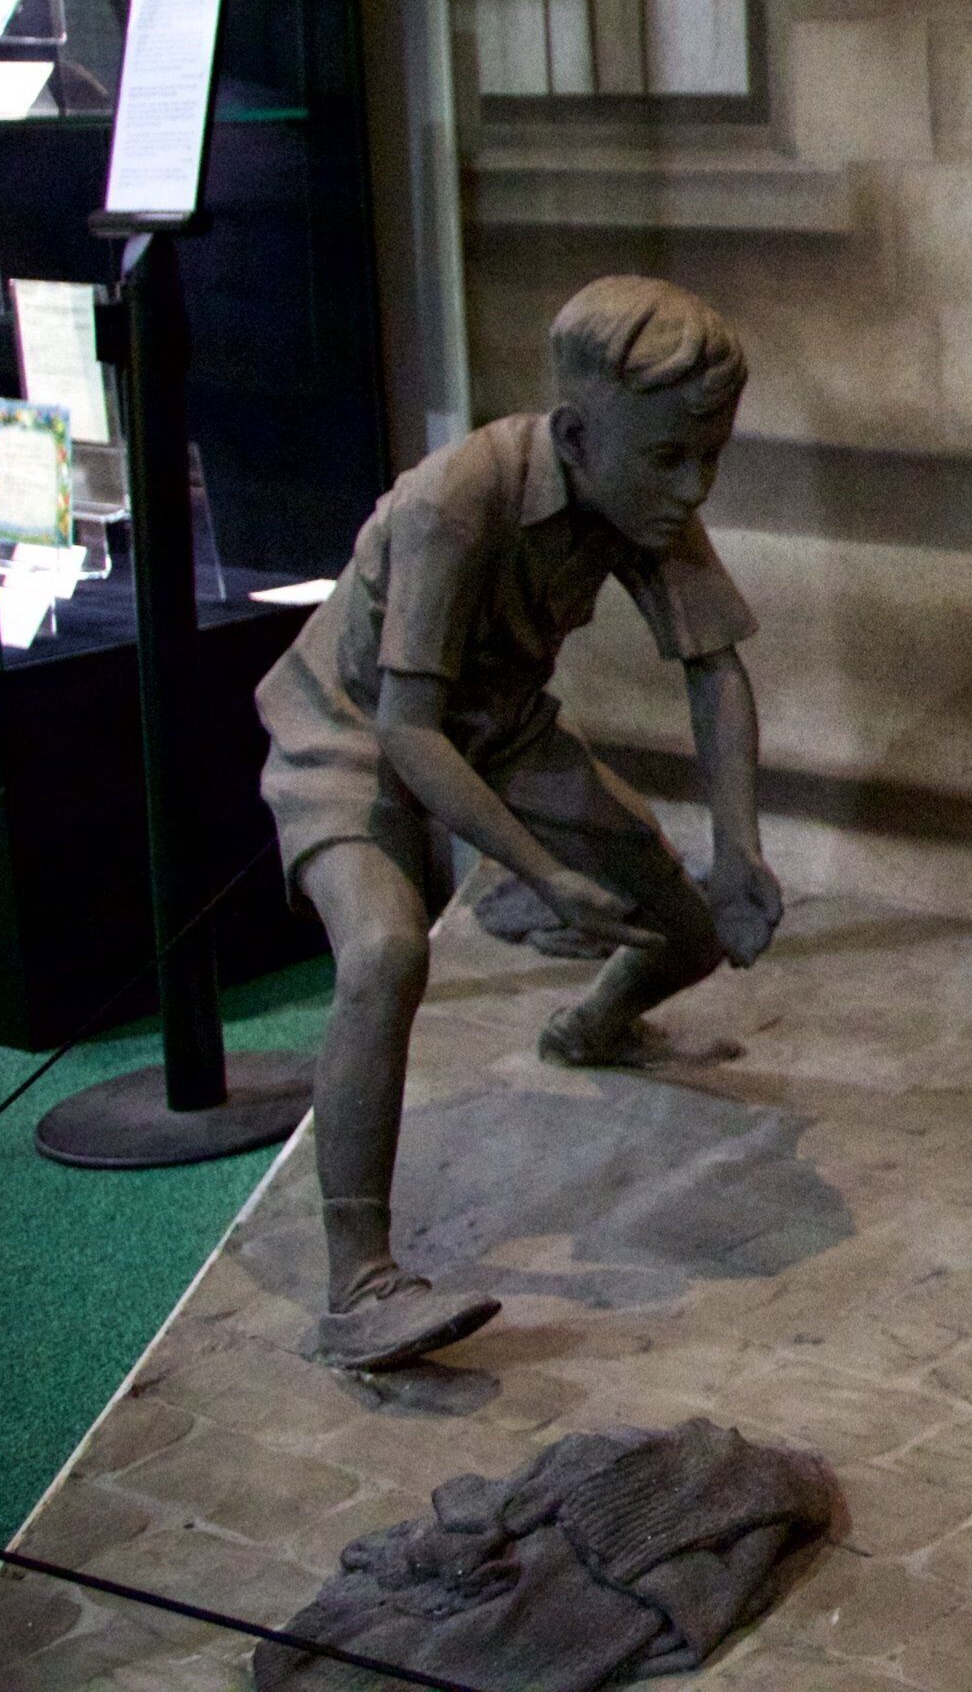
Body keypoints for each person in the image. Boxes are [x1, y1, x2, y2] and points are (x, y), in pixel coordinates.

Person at [255, 276, 785, 1372]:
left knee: (688, 933)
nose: (694, 488)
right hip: (355, 735)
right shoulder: (458, 500)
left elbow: (715, 671)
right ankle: (358, 1283)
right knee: (386, 951)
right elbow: (406, 734)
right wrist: (543, 875)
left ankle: (591, 1027)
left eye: (710, 456)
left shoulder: (642, 490)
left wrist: (739, 850)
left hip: (495, 732)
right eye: (673, 458)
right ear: (582, 435)